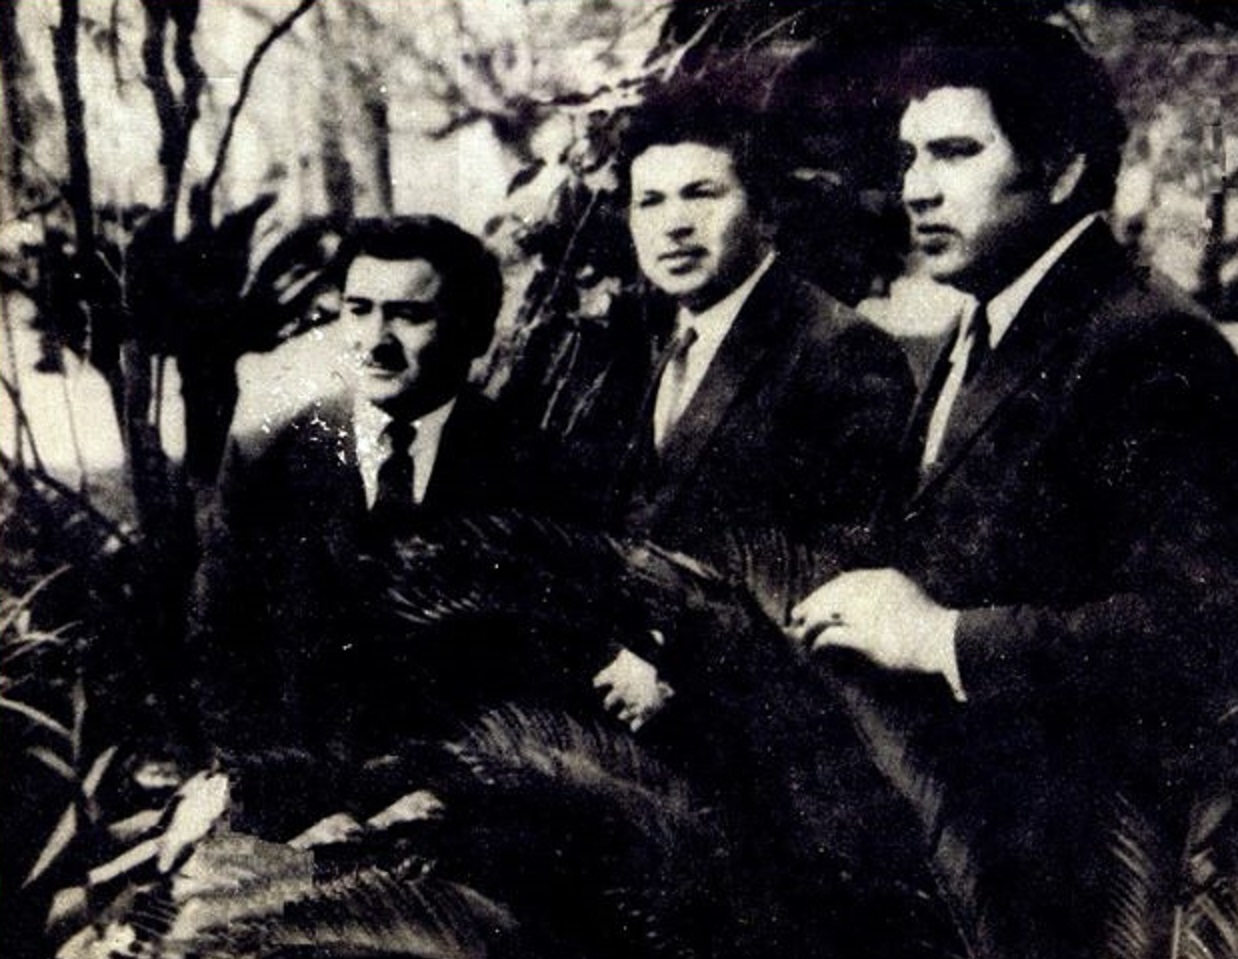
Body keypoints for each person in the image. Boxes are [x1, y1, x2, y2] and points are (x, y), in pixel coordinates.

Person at [790, 22, 1238, 959]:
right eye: (910, 157)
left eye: (956, 152)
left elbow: (1208, 627)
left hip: (1077, 899)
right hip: (964, 875)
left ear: (1061, 169)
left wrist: (941, 639)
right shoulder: (982, 324)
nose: (916, 188)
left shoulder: (1149, 345)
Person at [584, 90, 916, 731]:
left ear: (764, 211)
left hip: (767, 726)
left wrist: (672, 658)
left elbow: (839, 567)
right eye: (650, 201)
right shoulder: (676, 339)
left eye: (701, 194)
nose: (674, 224)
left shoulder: (838, 347)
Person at [191, 215, 536, 761]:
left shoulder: (528, 467)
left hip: (467, 793)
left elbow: (533, 677)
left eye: (410, 315)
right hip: (298, 789)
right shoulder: (267, 459)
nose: (375, 342)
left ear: (475, 333)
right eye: (358, 310)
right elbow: (222, 650)